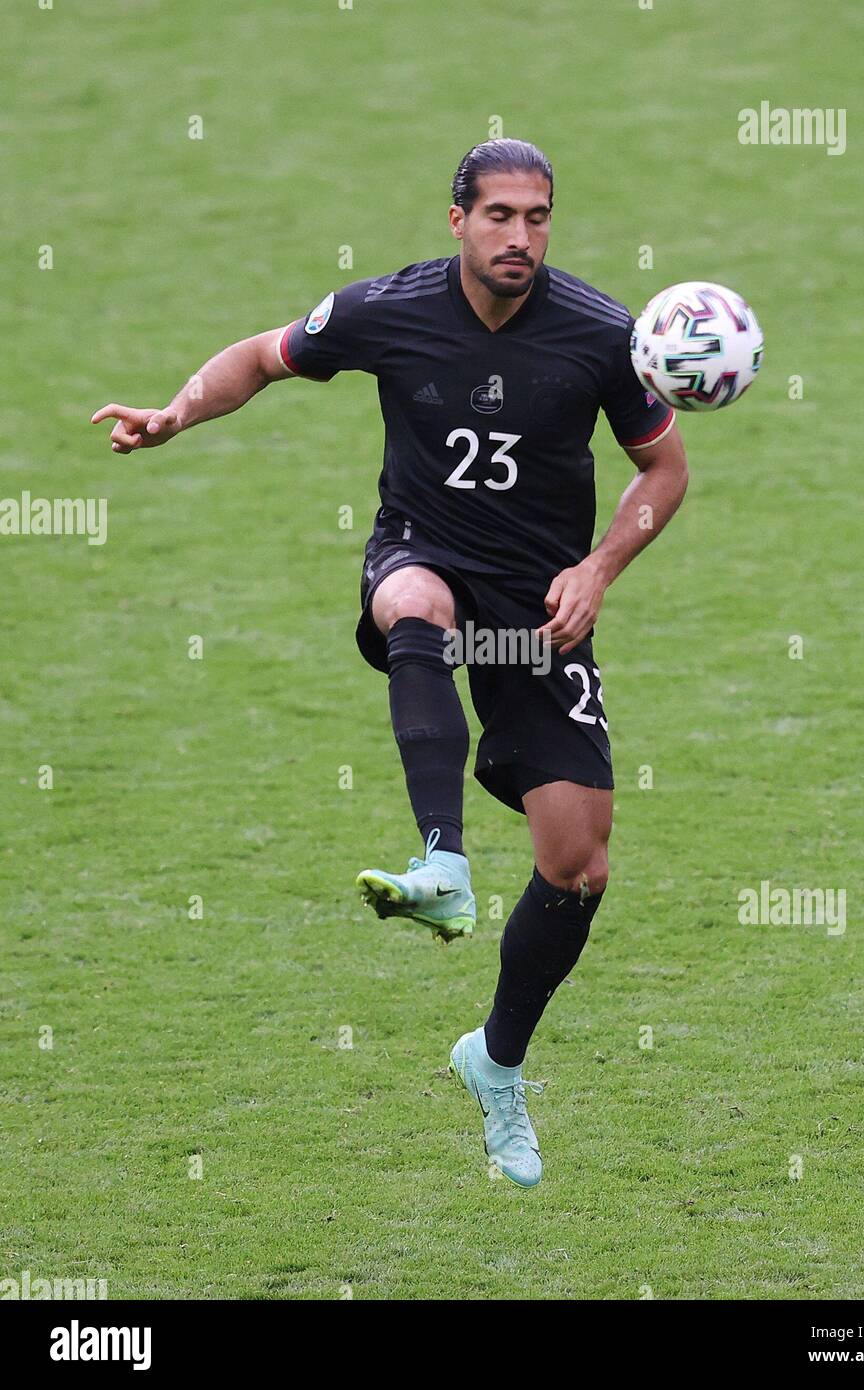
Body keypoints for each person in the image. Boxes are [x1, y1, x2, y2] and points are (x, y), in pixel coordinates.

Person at [91, 138, 688, 1188]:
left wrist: (601, 567)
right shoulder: (386, 310)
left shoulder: (604, 334)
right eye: (498, 214)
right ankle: (442, 867)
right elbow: (261, 356)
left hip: (541, 606)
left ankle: (495, 1061)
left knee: (577, 864)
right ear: (456, 219)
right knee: (412, 603)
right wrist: (176, 412)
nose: (519, 235)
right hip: (427, 551)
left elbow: (664, 469)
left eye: (537, 216)